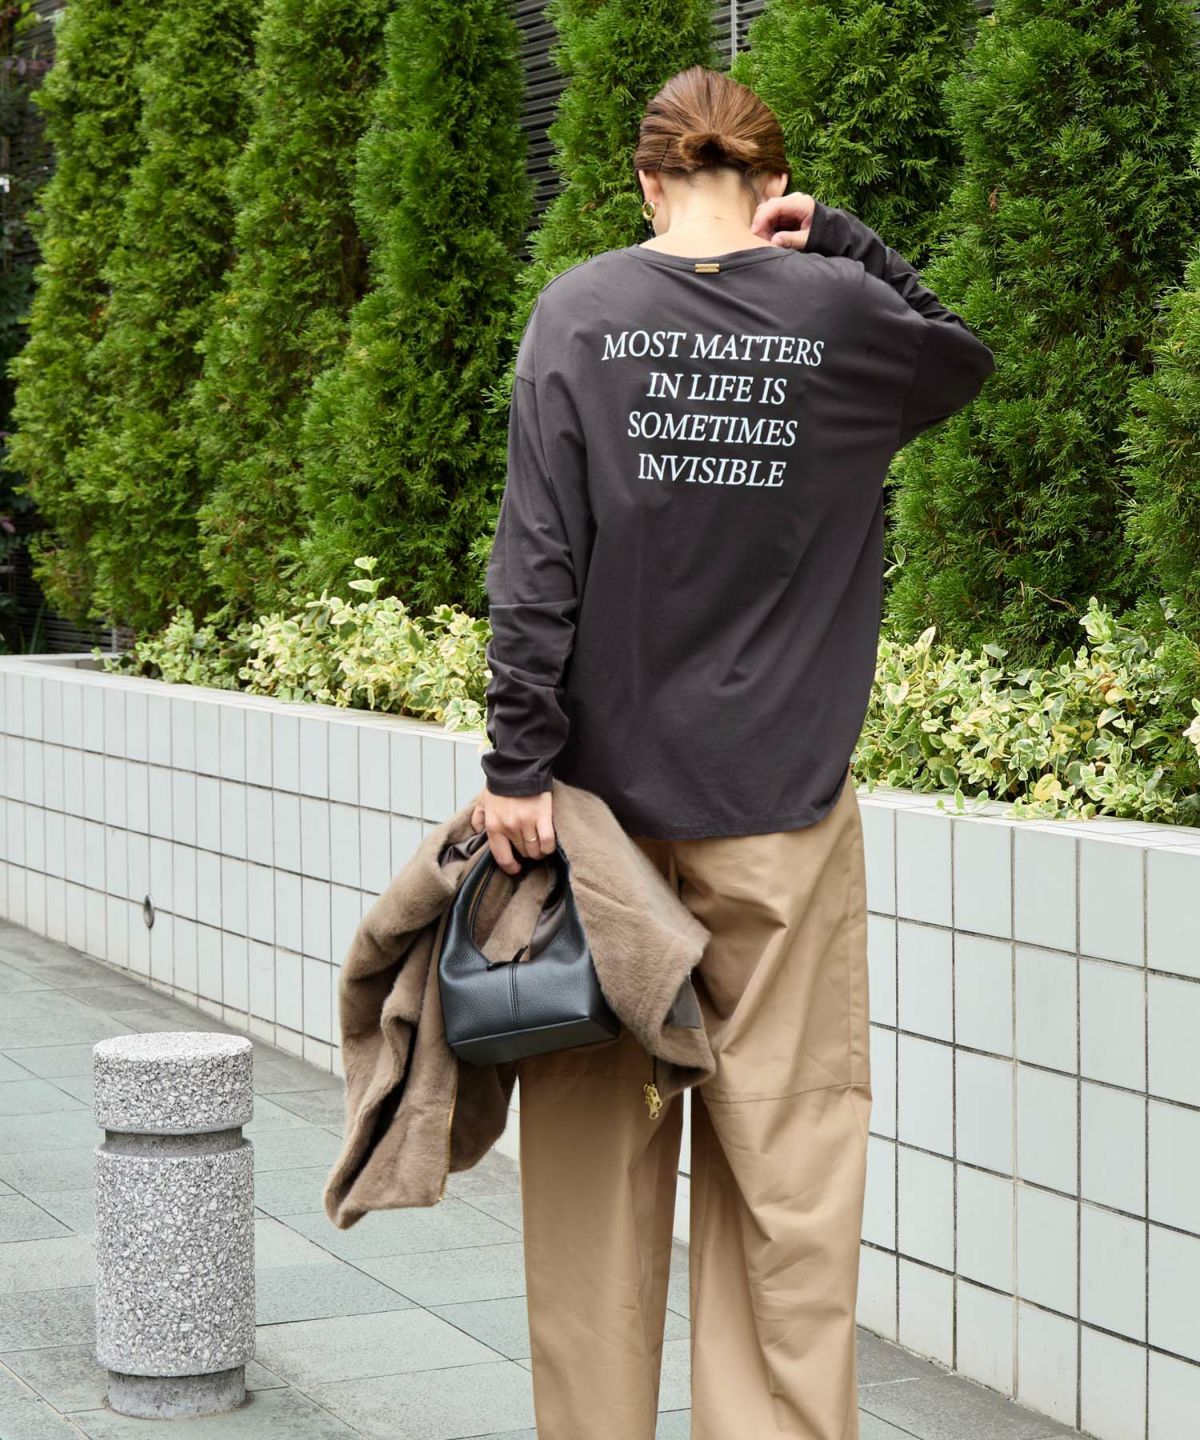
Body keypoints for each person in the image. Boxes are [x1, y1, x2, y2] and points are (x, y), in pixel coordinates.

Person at [470, 63, 994, 1440]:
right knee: (788, 1177)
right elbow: (960, 355)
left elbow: (536, 562)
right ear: (772, 184)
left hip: (601, 828)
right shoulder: (843, 314)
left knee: (595, 1176)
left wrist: (517, 766)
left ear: (646, 180)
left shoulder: (580, 311)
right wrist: (847, 243)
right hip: (783, 812)